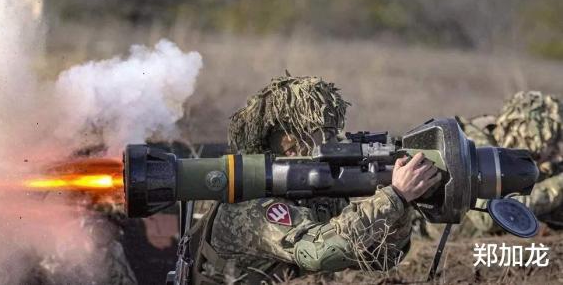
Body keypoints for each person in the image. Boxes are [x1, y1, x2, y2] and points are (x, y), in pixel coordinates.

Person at [184, 76, 442, 284]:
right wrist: (394, 196)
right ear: (287, 144)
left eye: (329, 132)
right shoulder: (251, 206)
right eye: (314, 133)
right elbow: (318, 252)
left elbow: (380, 257)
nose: (327, 141)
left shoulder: (311, 194)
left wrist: (402, 204)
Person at [461, 91, 563, 233]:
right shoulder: (472, 149)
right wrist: (557, 187)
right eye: (552, 145)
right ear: (530, 138)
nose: (556, 155)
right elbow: (488, 216)